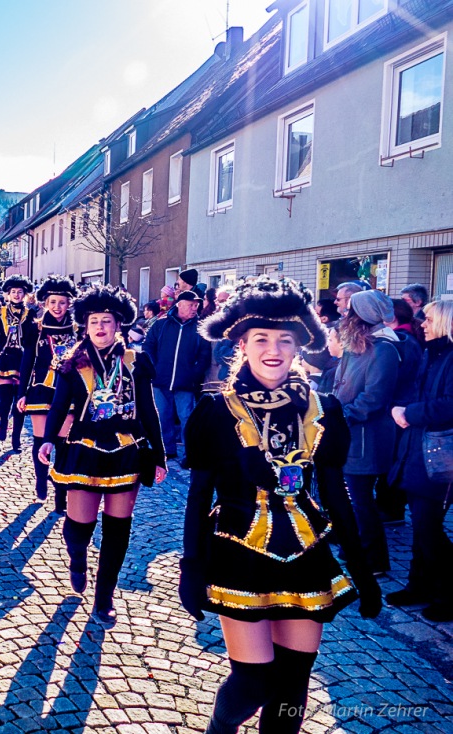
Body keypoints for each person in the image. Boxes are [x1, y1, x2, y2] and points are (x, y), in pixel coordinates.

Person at [178, 276, 381, 734]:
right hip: (236, 554)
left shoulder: (324, 410)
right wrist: (191, 568)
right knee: (252, 681)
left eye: (284, 340)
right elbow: (196, 500)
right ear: (242, 346)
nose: (273, 349)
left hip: (307, 558)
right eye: (261, 339)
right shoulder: (215, 412)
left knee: (293, 685)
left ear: (297, 348)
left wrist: (363, 572)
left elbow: (335, 496)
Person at [38, 284, 166, 620]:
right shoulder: (71, 361)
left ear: (118, 324)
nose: (100, 327)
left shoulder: (136, 360)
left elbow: (149, 410)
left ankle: (104, 597)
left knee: (118, 527)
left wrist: (160, 455)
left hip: (126, 449)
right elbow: (58, 405)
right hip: (84, 448)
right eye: (94, 320)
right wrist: (49, 438)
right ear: (85, 324)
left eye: (106, 320)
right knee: (79, 525)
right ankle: (77, 558)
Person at [388, 300, 453, 622]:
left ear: (444, 322)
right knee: (421, 523)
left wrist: (408, 414)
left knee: (428, 526)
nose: (421, 324)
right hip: (420, 449)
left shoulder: (449, 356)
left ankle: (447, 593)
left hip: (440, 455)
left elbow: (448, 405)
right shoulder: (432, 352)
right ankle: (420, 585)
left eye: (427, 319)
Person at [333, 290, 401, 575]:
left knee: (363, 501)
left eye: (351, 310)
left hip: (366, 438)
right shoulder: (359, 344)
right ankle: (358, 550)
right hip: (349, 434)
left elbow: (374, 397)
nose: (346, 315)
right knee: (354, 499)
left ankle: (375, 561)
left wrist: (343, 417)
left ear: (363, 316)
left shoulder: (384, 348)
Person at [17, 276, 77, 509]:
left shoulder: (77, 328)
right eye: (53, 302)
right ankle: (41, 480)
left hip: (69, 389)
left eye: (62, 302)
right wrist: (22, 393)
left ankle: (60, 494)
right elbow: (27, 361)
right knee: (40, 439)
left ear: (69, 303)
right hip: (41, 387)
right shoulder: (36, 327)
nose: (57, 307)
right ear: (45, 303)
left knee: (63, 442)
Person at [143, 290, 210, 465]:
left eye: (196, 305)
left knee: (187, 417)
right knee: (162, 416)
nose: (194, 308)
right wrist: (153, 367)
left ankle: (190, 453)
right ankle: (167, 450)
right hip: (160, 379)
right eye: (190, 305)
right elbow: (148, 345)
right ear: (179, 305)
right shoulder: (162, 324)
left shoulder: (199, 327)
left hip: (185, 382)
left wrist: (195, 373)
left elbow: (204, 354)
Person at [0, 275, 33, 448]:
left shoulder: (31, 314)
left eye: (20, 292)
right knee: (4, 400)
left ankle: (16, 439)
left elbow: (33, 341)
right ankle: (3, 423)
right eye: (13, 292)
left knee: (20, 402)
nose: (16, 295)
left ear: (25, 295)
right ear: (7, 294)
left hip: (23, 360)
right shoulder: (0, 312)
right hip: (5, 359)